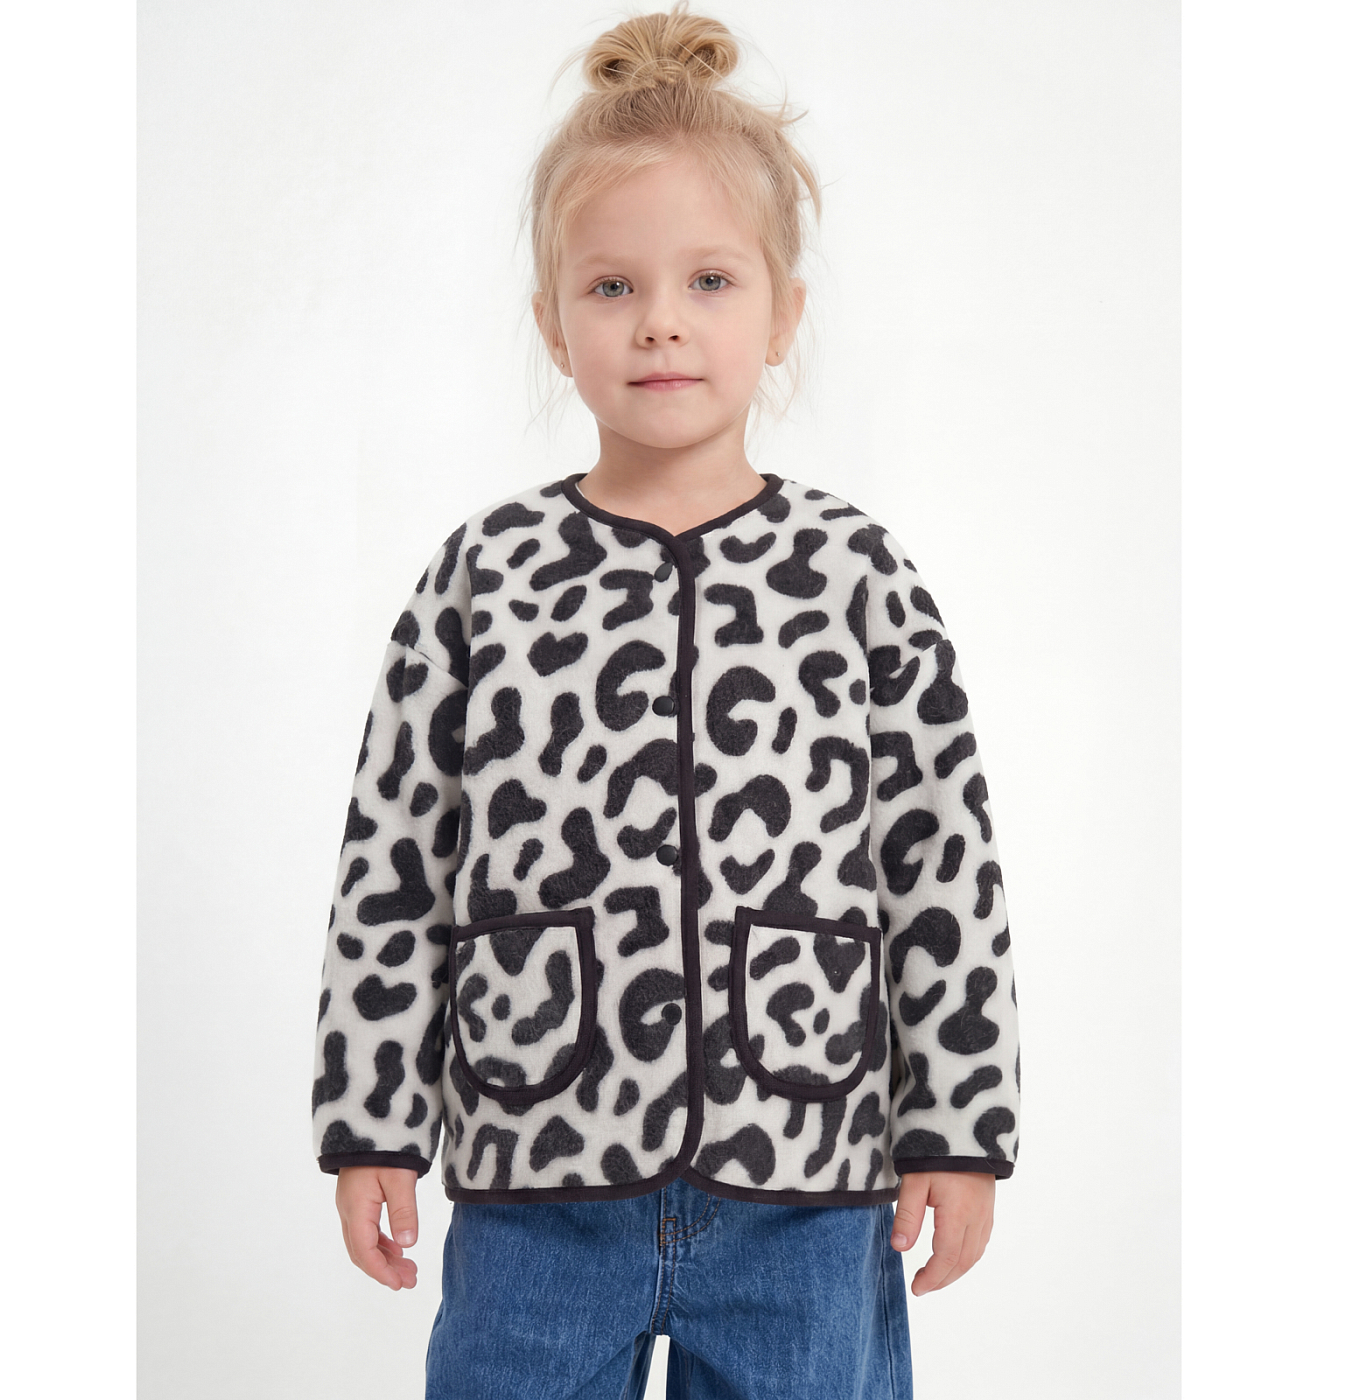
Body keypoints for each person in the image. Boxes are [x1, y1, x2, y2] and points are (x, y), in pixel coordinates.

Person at [310, 5, 1020, 1395]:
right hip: (536, 1170)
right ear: (552, 322)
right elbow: (394, 858)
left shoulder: (856, 574)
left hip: (805, 1175)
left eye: (709, 280)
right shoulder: (485, 575)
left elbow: (943, 860)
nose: (661, 324)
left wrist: (959, 1127)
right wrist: (370, 1120)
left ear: (783, 312)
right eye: (612, 287)